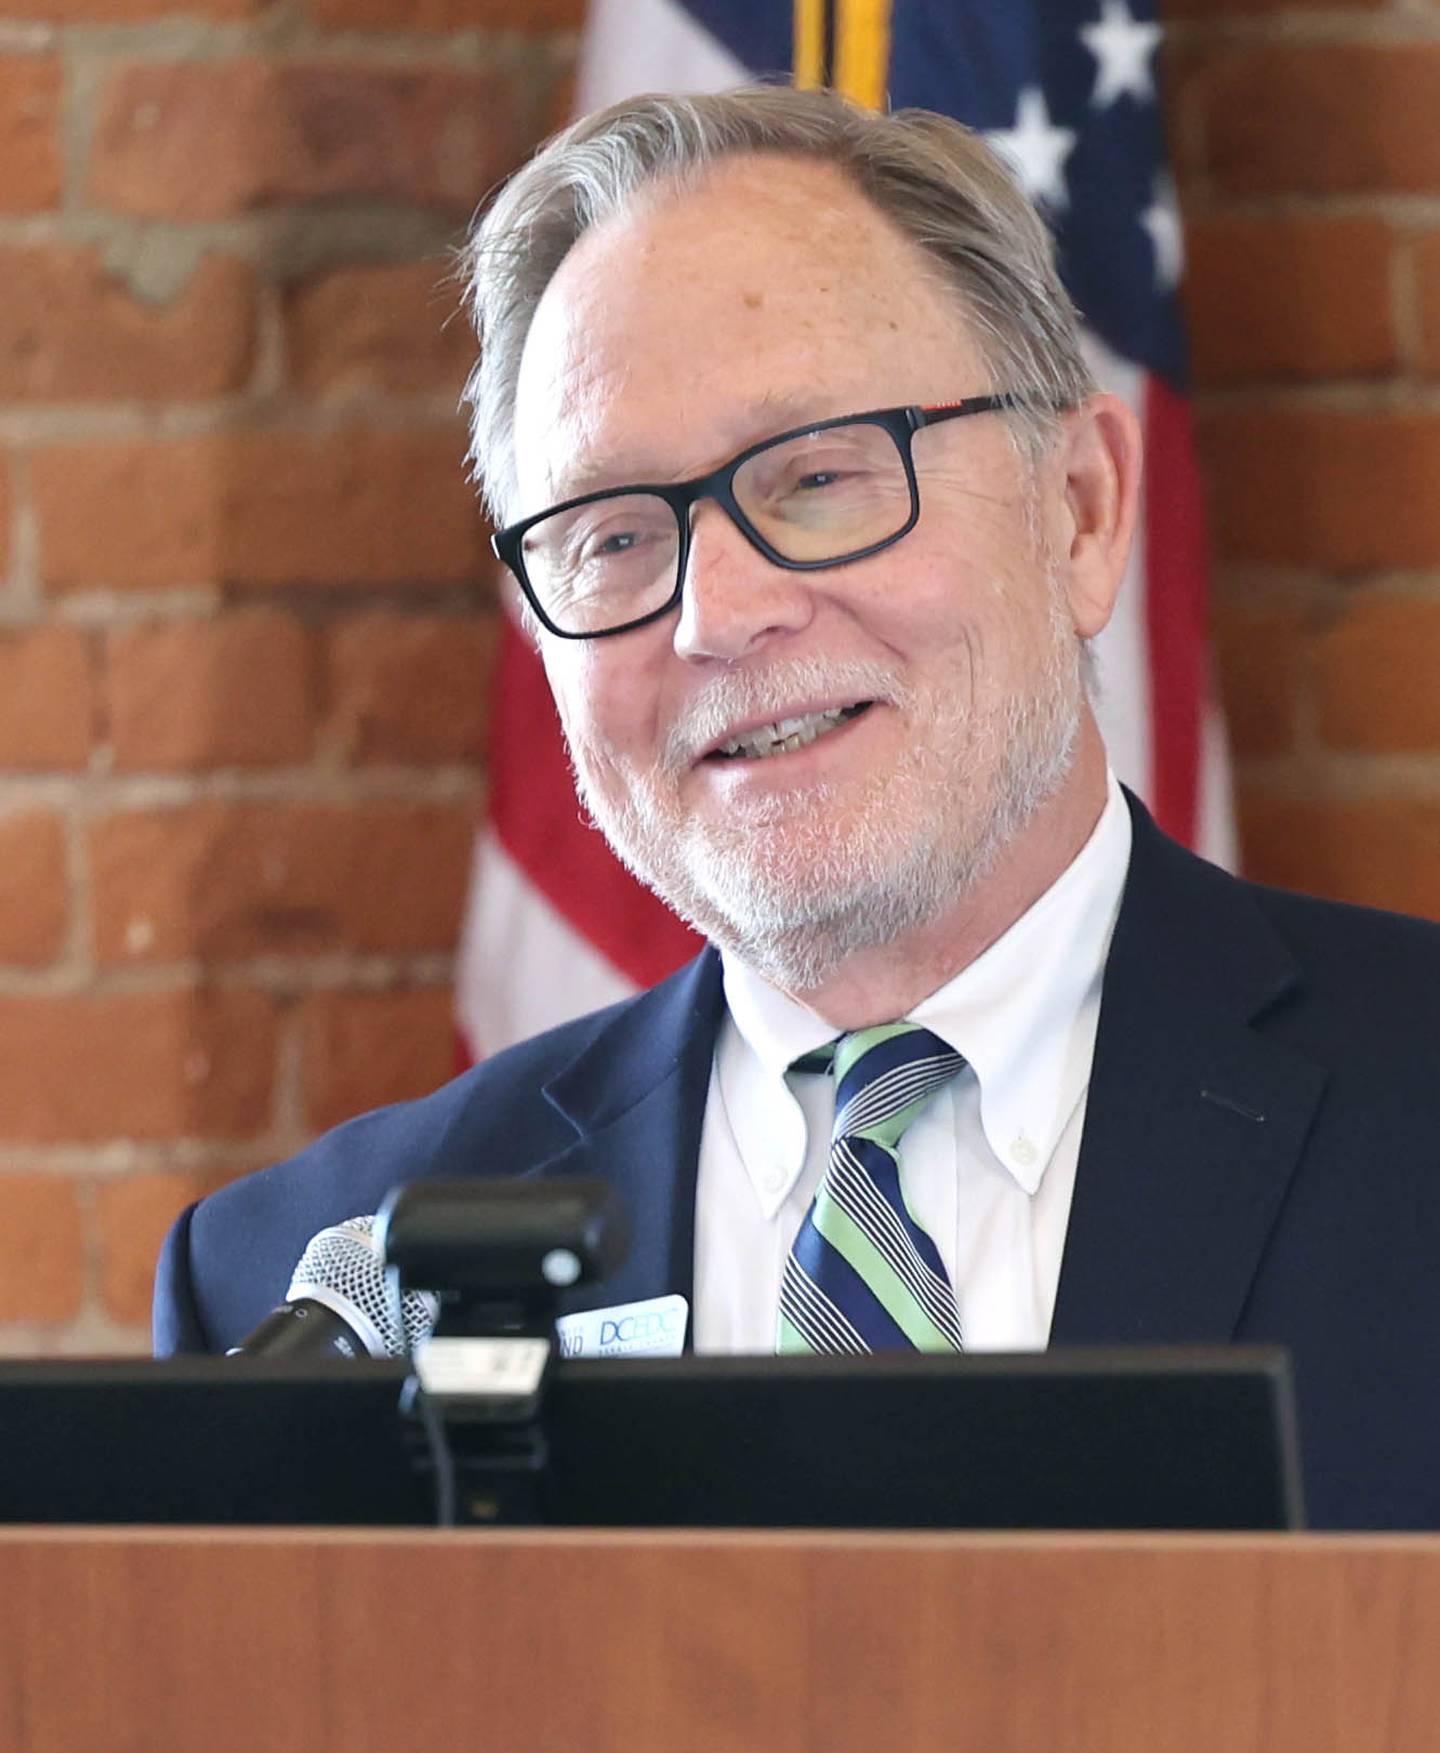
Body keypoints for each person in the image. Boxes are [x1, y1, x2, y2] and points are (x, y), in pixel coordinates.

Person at [155, 86, 1440, 1529]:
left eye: (821, 477)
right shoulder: (295, 1298)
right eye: (615, 536)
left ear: (1078, 508)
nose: (721, 610)